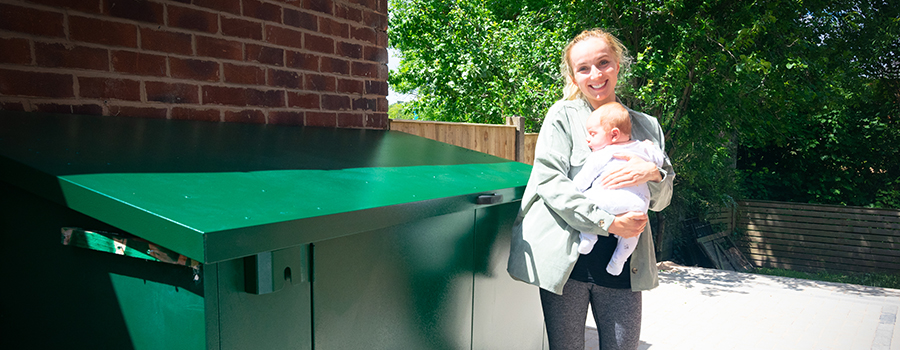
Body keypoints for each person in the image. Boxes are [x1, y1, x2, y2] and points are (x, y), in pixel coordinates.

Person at [507, 28, 675, 350]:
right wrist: (608, 222)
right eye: (584, 68)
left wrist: (654, 173)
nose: (595, 75)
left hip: (624, 267)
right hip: (568, 263)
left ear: (618, 64)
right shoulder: (562, 117)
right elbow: (550, 182)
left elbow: (662, 201)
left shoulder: (646, 126)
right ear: (573, 75)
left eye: (603, 63)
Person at [573, 102, 667, 277]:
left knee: (586, 199)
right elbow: (660, 160)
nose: (588, 138)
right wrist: (651, 149)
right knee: (632, 233)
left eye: (593, 134)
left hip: (609, 200)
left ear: (614, 134)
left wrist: (575, 191)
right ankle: (618, 261)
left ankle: (588, 236)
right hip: (638, 205)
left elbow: (582, 180)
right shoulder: (642, 148)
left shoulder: (603, 153)